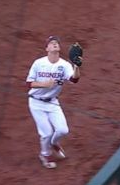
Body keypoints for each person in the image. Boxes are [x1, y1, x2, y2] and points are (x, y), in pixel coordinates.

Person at [26, 36, 81, 169]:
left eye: (56, 43)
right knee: (46, 133)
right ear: (47, 48)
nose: (54, 44)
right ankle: (45, 154)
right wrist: (44, 85)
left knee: (63, 130)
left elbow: (74, 80)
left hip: (52, 102)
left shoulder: (64, 65)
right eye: (51, 43)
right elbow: (29, 84)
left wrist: (77, 66)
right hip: (36, 103)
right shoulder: (38, 63)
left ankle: (53, 143)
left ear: (59, 48)